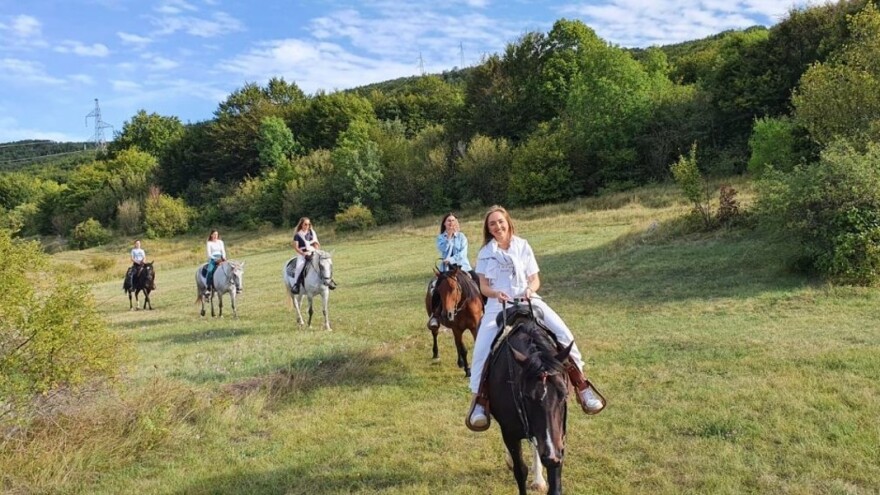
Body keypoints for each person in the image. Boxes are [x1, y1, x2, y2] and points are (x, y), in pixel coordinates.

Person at [466, 206, 604, 430]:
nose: (498, 226)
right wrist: (495, 294)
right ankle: (479, 401)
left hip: (528, 299)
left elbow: (535, 279)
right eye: (492, 224)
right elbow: (483, 286)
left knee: (564, 334)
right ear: (488, 228)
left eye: (500, 221)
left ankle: (582, 385)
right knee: (481, 348)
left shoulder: (523, 245)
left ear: (508, 222)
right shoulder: (485, 253)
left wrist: (530, 290)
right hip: (498, 304)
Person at [428, 213, 480, 331]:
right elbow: (443, 249)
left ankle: (484, 308)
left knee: (477, 280)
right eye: (449, 221)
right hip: (446, 270)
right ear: (444, 224)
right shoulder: (441, 238)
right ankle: (435, 315)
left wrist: (451, 259)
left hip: (462, 267)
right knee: (436, 287)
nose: (451, 223)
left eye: (453, 220)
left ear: (456, 222)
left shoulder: (462, 237)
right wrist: (449, 237)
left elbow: (463, 254)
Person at [290, 217, 336, 293]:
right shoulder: (297, 235)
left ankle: (330, 280)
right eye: (305, 224)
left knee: (324, 262)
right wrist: (304, 254)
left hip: (313, 251)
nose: (307, 226)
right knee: (299, 267)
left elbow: (316, 243)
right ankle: (296, 285)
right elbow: (296, 247)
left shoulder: (312, 232)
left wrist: (316, 249)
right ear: (301, 225)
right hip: (302, 253)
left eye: (308, 224)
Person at [205, 229, 226, 294]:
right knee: (209, 271)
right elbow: (209, 254)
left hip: (221, 257)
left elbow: (223, 251)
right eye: (214, 234)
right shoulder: (209, 243)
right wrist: (215, 259)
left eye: (216, 234)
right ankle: (208, 288)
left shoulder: (220, 242)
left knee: (229, 268)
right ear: (211, 235)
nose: (215, 236)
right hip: (213, 259)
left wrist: (223, 257)